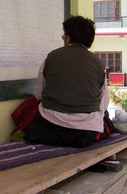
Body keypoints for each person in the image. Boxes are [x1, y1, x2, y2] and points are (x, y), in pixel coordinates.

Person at [23, 15, 114, 148]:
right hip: (85, 131)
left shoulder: (51, 57)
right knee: (105, 116)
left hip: (50, 127)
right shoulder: (98, 63)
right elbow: (103, 102)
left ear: (68, 38)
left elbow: (39, 93)